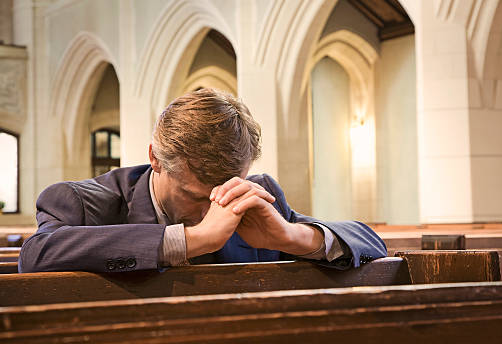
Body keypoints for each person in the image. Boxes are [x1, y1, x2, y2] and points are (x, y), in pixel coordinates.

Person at [18, 88, 387, 273]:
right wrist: (192, 239)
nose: (214, 207)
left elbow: (371, 244)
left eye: (222, 192)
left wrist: (292, 237)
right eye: (194, 194)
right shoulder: (80, 202)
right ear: (155, 159)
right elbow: (36, 256)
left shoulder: (254, 194)